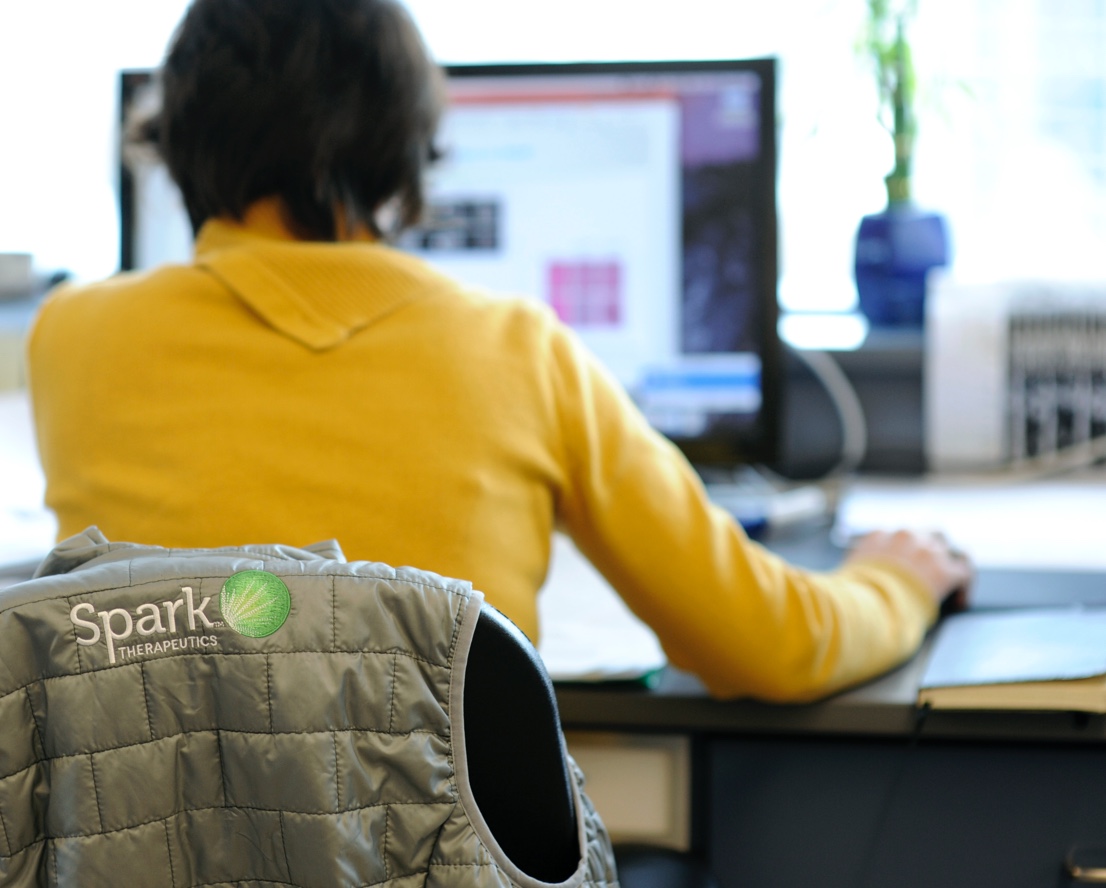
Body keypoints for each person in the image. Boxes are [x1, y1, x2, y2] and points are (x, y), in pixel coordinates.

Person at [25, 0, 972, 702]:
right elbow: (769, 646)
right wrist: (898, 580)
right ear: (404, 151)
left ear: (175, 142)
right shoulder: (520, 350)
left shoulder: (70, 338)